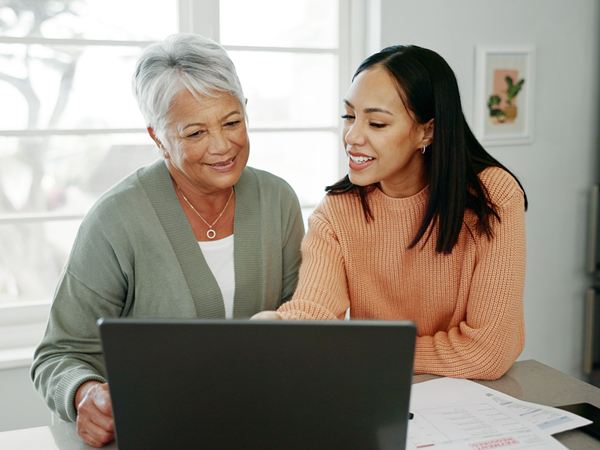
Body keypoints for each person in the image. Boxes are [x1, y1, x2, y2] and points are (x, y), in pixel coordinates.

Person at [31, 33, 304, 448]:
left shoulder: (278, 200)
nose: (221, 146)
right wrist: (85, 393)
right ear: (157, 137)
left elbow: (301, 322)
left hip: (256, 428)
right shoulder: (116, 219)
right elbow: (58, 354)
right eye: (195, 133)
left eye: (232, 122)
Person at [254, 45, 527, 381]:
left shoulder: (492, 198)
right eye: (349, 116)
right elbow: (315, 311)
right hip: (380, 387)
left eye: (377, 123)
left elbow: (490, 351)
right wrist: (282, 326)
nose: (352, 137)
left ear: (426, 131)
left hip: (472, 399)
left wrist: (367, 350)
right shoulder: (337, 212)